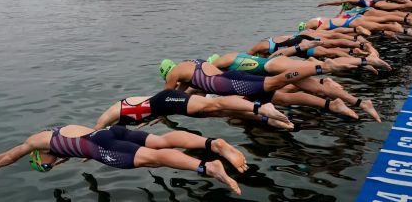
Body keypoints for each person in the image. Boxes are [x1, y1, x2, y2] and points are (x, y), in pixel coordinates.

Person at [0, 124, 245, 195]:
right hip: (109, 132)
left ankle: (207, 167)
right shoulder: (59, 136)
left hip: (99, 145)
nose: (51, 165)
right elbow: (73, 145)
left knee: (153, 159)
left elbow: (13, 154)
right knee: (162, 141)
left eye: (46, 165)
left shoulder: (37, 142)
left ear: (39, 156)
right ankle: (212, 145)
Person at [159, 55, 391, 119]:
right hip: (232, 78)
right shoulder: (195, 65)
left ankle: (323, 68)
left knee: (277, 83)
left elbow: (167, 96)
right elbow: (185, 93)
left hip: (231, 82)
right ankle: (337, 99)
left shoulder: (175, 72)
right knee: (282, 94)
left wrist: (156, 110)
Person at [94, 89, 294, 130]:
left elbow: (94, 133)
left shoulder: (111, 114)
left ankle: (262, 108)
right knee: (224, 113)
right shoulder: (119, 121)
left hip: (164, 100)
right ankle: (275, 120)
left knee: (215, 105)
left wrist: (72, 150)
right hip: (166, 107)